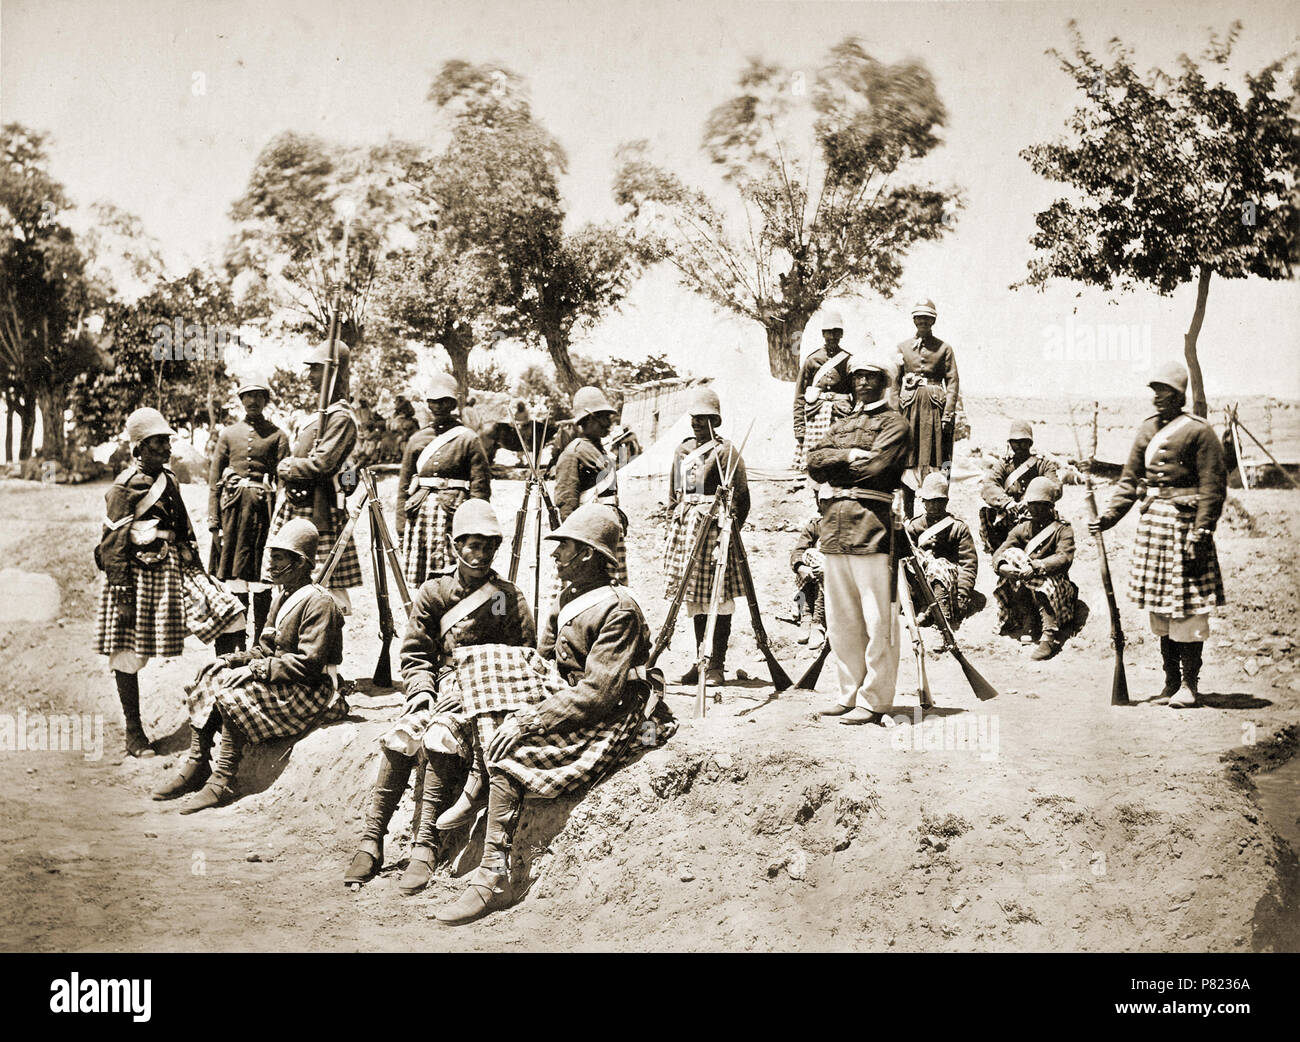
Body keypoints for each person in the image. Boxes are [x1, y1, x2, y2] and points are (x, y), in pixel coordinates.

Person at [432, 504, 662, 926]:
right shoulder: (572, 595)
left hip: (613, 713)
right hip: (572, 695)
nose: (555, 557)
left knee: (512, 751)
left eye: (565, 549)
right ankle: (477, 784)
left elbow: (598, 693)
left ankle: (492, 875)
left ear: (589, 555)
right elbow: (546, 658)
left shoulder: (619, 609)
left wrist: (531, 719)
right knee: (489, 677)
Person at [343, 499, 534, 893]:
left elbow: (525, 658)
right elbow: (415, 655)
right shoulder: (433, 592)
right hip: (442, 685)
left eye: (488, 546)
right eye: (471, 544)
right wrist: (420, 694)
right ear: (453, 545)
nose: (479, 554)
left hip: (484, 697)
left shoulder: (508, 597)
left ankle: (424, 846)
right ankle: (371, 839)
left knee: (440, 735)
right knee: (405, 732)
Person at [94, 408, 246, 758]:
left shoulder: (170, 478)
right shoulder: (123, 487)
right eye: (157, 443)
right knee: (127, 651)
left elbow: (184, 528)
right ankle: (134, 733)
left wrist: (195, 562)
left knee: (231, 616)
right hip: (137, 575)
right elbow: (112, 543)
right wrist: (122, 593)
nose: (166, 448)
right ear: (138, 449)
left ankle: (225, 708)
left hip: (176, 568)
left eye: (166, 441)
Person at [165, 518, 346, 811]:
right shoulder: (282, 596)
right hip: (285, 678)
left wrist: (255, 670)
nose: (271, 566)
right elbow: (265, 649)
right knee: (212, 678)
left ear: (300, 563)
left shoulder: (319, 603)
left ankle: (221, 780)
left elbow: (308, 664)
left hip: (313, 689)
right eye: (271, 558)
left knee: (232, 695)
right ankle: (198, 763)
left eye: (278, 559)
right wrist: (228, 660)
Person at [1090, 362, 1227, 707]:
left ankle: (1189, 686)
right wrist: (1109, 517)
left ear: (1179, 396)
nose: (1157, 398)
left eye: (1164, 392)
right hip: (1154, 527)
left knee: (1188, 607)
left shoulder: (1200, 432)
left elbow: (1213, 487)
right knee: (1161, 609)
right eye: (1154, 392)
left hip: (1186, 528)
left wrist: (1202, 530)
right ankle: (1169, 684)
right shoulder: (1146, 429)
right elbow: (1129, 479)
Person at [807, 348, 912, 725]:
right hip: (833, 528)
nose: (864, 382)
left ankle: (875, 699)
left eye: (872, 376)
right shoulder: (839, 425)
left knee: (876, 619)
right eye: (858, 377)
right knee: (841, 619)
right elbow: (813, 463)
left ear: (885, 381)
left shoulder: (896, 424)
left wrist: (840, 464)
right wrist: (850, 453)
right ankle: (848, 693)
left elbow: (878, 468)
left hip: (871, 528)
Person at [663, 386, 751, 685]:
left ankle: (717, 665)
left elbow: (741, 498)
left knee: (718, 598)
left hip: (716, 533)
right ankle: (700, 660)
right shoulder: (682, 450)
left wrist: (729, 534)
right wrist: (671, 526)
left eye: (704, 418)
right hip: (687, 533)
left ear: (716, 420)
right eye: (694, 418)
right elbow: (674, 495)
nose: (697, 423)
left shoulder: (725, 451)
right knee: (695, 600)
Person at [269, 339, 361, 612]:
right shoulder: (316, 418)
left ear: (333, 373)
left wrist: (286, 467)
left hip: (320, 513)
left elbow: (322, 464)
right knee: (290, 581)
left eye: (316, 370)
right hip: (298, 508)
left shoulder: (341, 417)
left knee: (321, 587)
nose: (309, 377)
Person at [207, 381, 291, 650]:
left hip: (262, 516)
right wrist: (214, 524)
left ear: (266, 400)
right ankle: (234, 644)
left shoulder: (278, 436)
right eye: (247, 396)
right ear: (240, 400)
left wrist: (281, 524)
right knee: (234, 583)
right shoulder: (228, 434)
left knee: (262, 581)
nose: (253, 401)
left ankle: (260, 645)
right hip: (232, 516)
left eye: (258, 396)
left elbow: (284, 483)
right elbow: (214, 482)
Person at [395, 373, 491, 590]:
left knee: (455, 575)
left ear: (452, 403)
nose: (438, 406)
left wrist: (475, 525)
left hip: (454, 515)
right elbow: (403, 486)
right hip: (420, 518)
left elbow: (480, 486)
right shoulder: (417, 439)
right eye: (433, 401)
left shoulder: (468, 439)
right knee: (422, 583)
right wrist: (401, 526)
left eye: (443, 401)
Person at [992, 476, 1079, 660]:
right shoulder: (1022, 528)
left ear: (1051, 506)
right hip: (1026, 583)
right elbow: (1000, 552)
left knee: (1042, 583)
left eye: (1041, 504)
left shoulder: (1062, 529)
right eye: (1032, 504)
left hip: (1055, 585)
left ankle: (1049, 634)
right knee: (1012, 556)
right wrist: (1003, 567)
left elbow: (1064, 558)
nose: (1036, 509)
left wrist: (1038, 566)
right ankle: (1029, 620)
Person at [552, 386, 629, 585]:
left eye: (608, 417)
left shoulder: (599, 450)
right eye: (602, 417)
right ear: (587, 419)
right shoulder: (573, 453)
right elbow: (566, 504)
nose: (608, 423)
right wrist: (576, 544)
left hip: (606, 533)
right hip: (586, 539)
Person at [895, 299, 960, 516]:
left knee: (939, 458)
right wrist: (896, 411)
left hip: (935, 411)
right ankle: (908, 513)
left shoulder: (944, 348)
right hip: (909, 410)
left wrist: (947, 414)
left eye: (927, 318)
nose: (923, 321)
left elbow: (952, 383)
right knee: (908, 458)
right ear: (914, 320)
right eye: (919, 317)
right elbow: (894, 382)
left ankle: (936, 512)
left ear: (933, 320)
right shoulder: (902, 347)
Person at [904, 473, 984, 629]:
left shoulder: (958, 528)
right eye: (930, 502)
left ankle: (940, 616)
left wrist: (962, 594)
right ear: (923, 502)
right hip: (921, 584)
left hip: (948, 584)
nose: (934, 506)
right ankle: (926, 608)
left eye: (939, 502)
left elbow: (968, 565)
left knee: (939, 566)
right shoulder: (914, 527)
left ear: (946, 502)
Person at [978, 420, 1060, 554]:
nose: (1019, 446)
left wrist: (1034, 501)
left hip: (1037, 517)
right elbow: (989, 485)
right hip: (1009, 519)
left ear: (1030, 443)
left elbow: (1055, 487)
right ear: (1010, 444)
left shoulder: (1043, 464)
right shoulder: (1003, 465)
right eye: (1015, 442)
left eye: (1023, 442)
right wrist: (1007, 503)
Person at [793, 308, 854, 472]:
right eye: (828, 332)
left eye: (836, 332)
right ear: (823, 334)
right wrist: (800, 427)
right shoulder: (812, 360)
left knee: (839, 463)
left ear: (841, 334)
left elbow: (856, 396)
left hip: (840, 417)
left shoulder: (848, 360)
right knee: (816, 464)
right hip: (816, 417)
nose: (832, 337)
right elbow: (799, 396)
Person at [780, 517, 826, 649]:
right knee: (810, 556)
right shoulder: (816, 525)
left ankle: (818, 622)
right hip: (812, 582)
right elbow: (799, 551)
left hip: (835, 582)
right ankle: (806, 616)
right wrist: (801, 567)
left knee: (822, 564)